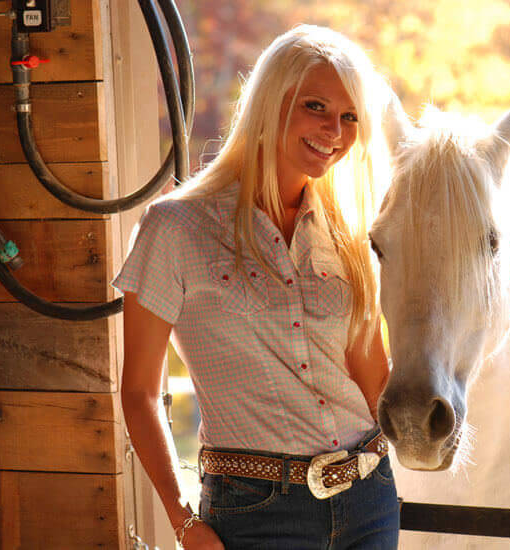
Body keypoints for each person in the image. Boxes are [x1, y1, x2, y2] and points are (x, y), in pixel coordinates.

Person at [113, 25, 398, 550]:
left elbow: (370, 372)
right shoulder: (176, 228)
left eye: (350, 116)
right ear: (270, 103)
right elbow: (138, 393)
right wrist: (184, 522)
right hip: (255, 511)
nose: (335, 130)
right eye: (316, 106)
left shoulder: (350, 234)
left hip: (370, 499)